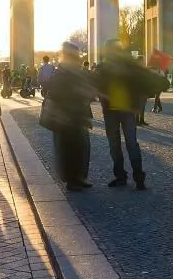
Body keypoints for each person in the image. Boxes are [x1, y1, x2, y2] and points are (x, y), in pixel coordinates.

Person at [96, 39, 151, 190]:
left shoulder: (128, 67)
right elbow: (98, 87)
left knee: (126, 144)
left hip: (123, 110)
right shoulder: (104, 68)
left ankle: (133, 177)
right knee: (122, 144)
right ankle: (126, 177)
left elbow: (141, 85)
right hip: (115, 110)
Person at [47, 41, 96, 191]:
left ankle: (79, 177)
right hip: (65, 117)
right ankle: (71, 179)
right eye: (73, 56)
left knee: (82, 147)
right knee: (68, 149)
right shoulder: (59, 72)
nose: (76, 59)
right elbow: (55, 92)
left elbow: (87, 87)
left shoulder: (77, 71)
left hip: (78, 115)